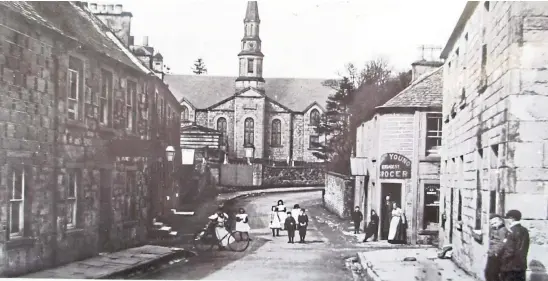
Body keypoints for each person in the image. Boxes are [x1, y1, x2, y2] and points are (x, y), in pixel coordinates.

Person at [498, 209, 530, 281]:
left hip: (510, 266)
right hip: (521, 265)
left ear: (511, 219)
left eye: (507, 218)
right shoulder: (524, 230)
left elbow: (509, 250)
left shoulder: (511, 231)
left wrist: (502, 259)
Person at [485, 213, 509, 281]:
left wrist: (496, 252)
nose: (493, 225)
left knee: (492, 274)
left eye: (495, 223)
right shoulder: (495, 229)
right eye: (491, 224)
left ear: (500, 221)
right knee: (488, 273)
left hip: (496, 255)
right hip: (492, 253)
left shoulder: (502, 230)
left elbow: (504, 243)